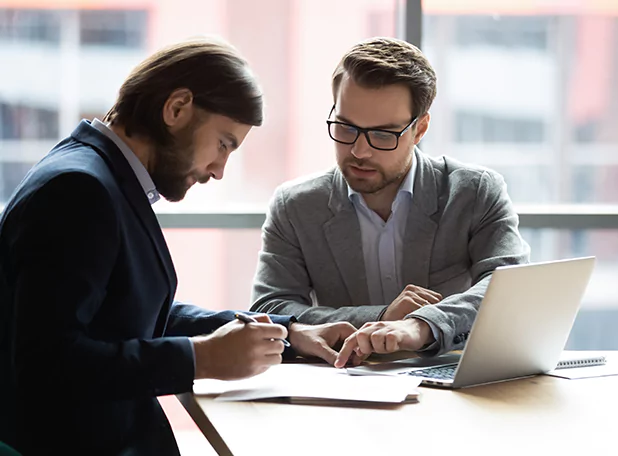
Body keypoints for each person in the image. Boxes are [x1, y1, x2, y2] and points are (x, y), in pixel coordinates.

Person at [0, 37, 356, 455]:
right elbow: (47, 364)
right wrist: (198, 360)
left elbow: (125, 314)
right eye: (224, 143)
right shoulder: (79, 189)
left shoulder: (100, 175)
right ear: (176, 108)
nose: (220, 170)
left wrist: (284, 333)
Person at [250, 37, 530, 367]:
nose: (359, 151)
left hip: (453, 385)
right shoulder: (296, 206)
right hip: (343, 388)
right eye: (345, 127)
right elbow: (270, 309)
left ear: (420, 128)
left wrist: (420, 326)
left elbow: (510, 289)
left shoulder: (474, 192)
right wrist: (380, 316)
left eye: (383, 135)